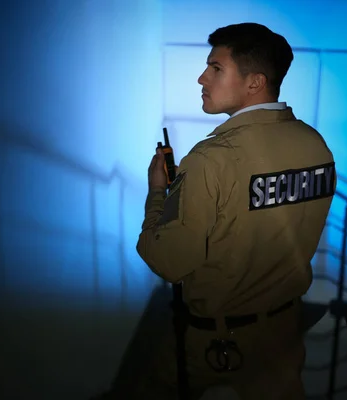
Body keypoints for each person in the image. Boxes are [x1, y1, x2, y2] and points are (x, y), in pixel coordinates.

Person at [135, 23, 336, 399]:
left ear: (254, 82)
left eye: (215, 68)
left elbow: (168, 261)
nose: (201, 77)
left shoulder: (211, 159)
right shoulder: (315, 145)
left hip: (215, 338)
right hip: (282, 335)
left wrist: (158, 193)